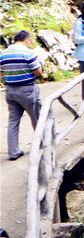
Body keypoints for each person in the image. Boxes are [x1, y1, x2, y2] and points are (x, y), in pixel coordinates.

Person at [3, 30, 43, 160]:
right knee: (37, 118)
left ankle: (13, 152)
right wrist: (40, 65)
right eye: (30, 41)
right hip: (27, 90)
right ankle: (42, 143)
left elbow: (1, 72)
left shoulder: (3, 54)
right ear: (27, 40)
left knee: (13, 121)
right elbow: (37, 72)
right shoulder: (28, 53)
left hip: (10, 90)